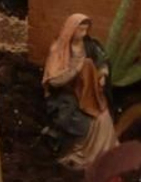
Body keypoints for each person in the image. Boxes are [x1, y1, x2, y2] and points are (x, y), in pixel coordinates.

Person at [42, 14, 116, 168]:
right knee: (80, 121)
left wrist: (102, 75)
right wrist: (75, 71)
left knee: (103, 117)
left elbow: (101, 62)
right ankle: (75, 152)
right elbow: (54, 81)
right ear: (71, 29)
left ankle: (100, 154)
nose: (83, 33)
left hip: (88, 89)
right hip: (66, 93)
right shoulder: (59, 49)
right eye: (79, 29)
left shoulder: (90, 45)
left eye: (85, 29)